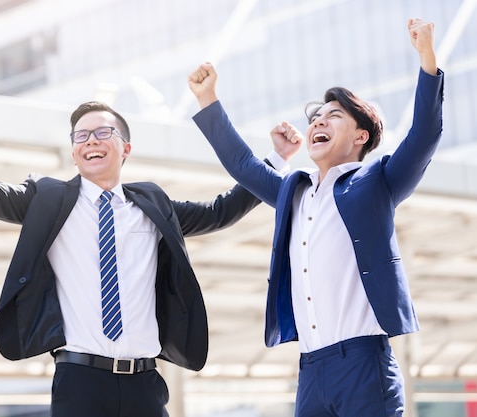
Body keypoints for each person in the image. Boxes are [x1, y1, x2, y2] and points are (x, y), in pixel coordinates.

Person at [0, 94, 265, 416]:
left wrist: (275, 161)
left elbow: (219, 212)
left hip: (144, 383)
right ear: (73, 152)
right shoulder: (48, 200)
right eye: (80, 136)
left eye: (102, 132)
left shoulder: (153, 204)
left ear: (125, 147)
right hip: (80, 381)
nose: (91, 141)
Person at [187, 18, 443, 417]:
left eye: (334, 115)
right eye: (316, 117)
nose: (319, 122)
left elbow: (424, 136)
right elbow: (242, 164)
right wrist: (207, 99)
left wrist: (427, 59)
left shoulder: (378, 181)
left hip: (363, 363)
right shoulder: (294, 191)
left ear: (361, 137)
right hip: (310, 370)